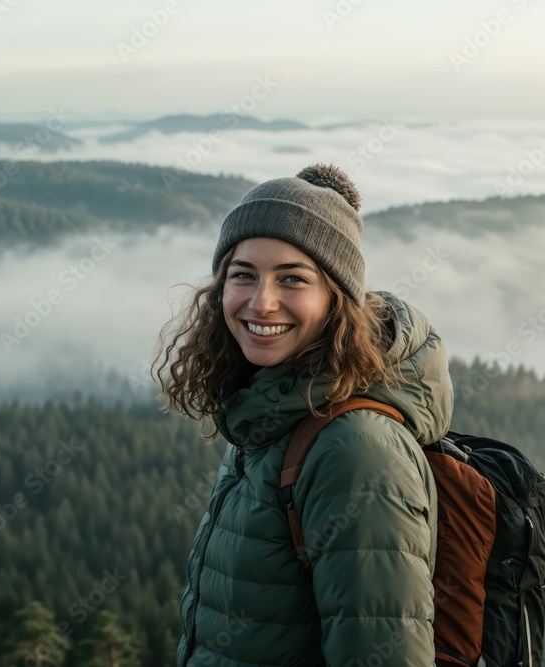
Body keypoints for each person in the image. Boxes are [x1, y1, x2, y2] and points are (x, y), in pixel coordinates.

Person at [153, 163, 454, 666]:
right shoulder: (273, 410)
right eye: (243, 275)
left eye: (293, 279)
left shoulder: (357, 450)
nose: (261, 302)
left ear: (338, 301)